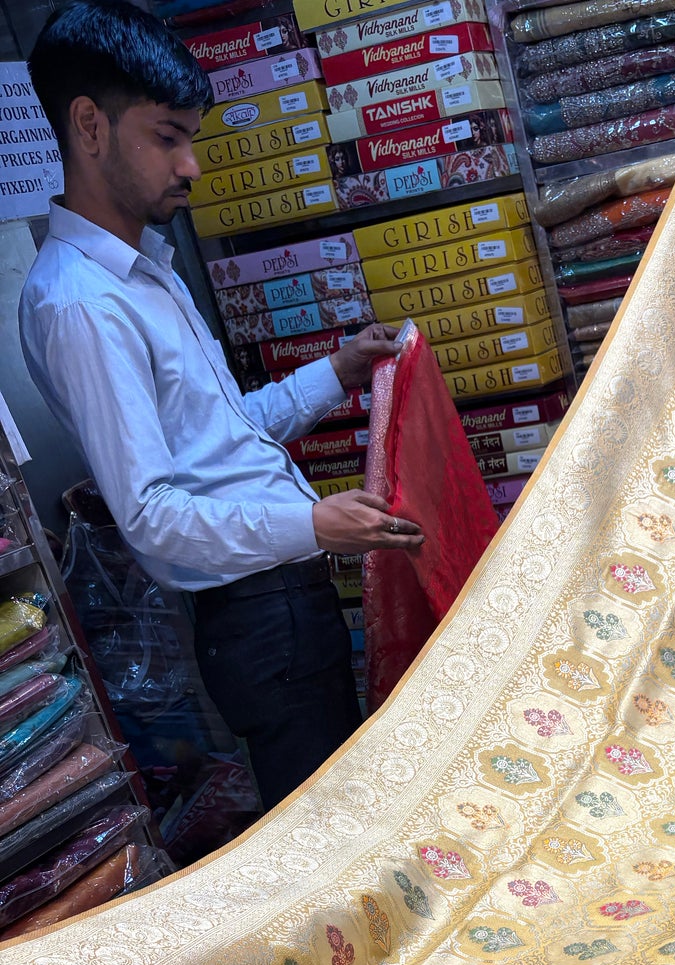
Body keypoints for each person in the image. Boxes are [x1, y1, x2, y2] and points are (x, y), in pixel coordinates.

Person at [20, 0, 425, 815]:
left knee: (349, 806)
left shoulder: (145, 270)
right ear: (90, 126)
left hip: (281, 604)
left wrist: (337, 371)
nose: (192, 166)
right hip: (256, 613)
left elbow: (221, 436)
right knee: (323, 829)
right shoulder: (83, 304)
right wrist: (312, 525)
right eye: (168, 137)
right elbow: (154, 517)